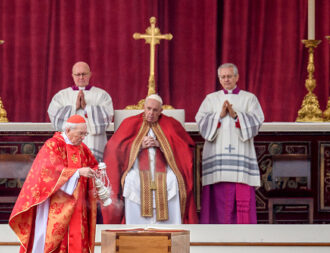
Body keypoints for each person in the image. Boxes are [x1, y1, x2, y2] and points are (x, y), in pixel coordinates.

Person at [102, 94, 198, 224]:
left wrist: (162, 145)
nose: (151, 113)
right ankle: (134, 227)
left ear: (161, 111)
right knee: (131, 180)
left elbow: (185, 148)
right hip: (136, 169)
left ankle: (170, 227)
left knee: (173, 181)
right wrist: (138, 145)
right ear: (143, 107)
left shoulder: (171, 124)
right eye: (148, 109)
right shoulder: (130, 123)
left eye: (155, 110)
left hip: (166, 169)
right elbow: (114, 149)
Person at [9, 115, 98, 253]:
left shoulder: (82, 148)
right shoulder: (53, 145)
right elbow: (49, 171)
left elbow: (93, 165)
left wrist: (98, 173)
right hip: (57, 204)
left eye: (85, 133)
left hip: (79, 205)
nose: (83, 137)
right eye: (81, 133)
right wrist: (77, 173)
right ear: (68, 130)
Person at [195, 63, 264, 224]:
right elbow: (201, 123)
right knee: (217, 197)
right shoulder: (211, 99)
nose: (226, 79)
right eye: (223, 77)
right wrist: (218, 116)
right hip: (217, 157)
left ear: (237, 77)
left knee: (241, 193)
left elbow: (256, 122)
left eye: (229, 76)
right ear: (219, 79)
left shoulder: (249, 98)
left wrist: (235, 115)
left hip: (241, 156)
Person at [48, 61, 113, 161]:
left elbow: (107, 116)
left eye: (84, 74)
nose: (81, 77)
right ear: (72, 76)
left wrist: (87, 107)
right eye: (78, 74)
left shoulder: (101, 95)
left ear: (90, 74)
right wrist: (75, 107)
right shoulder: (62, 95)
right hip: (70, 143)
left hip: (93, 142)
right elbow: (54, 115)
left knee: (93, 171)